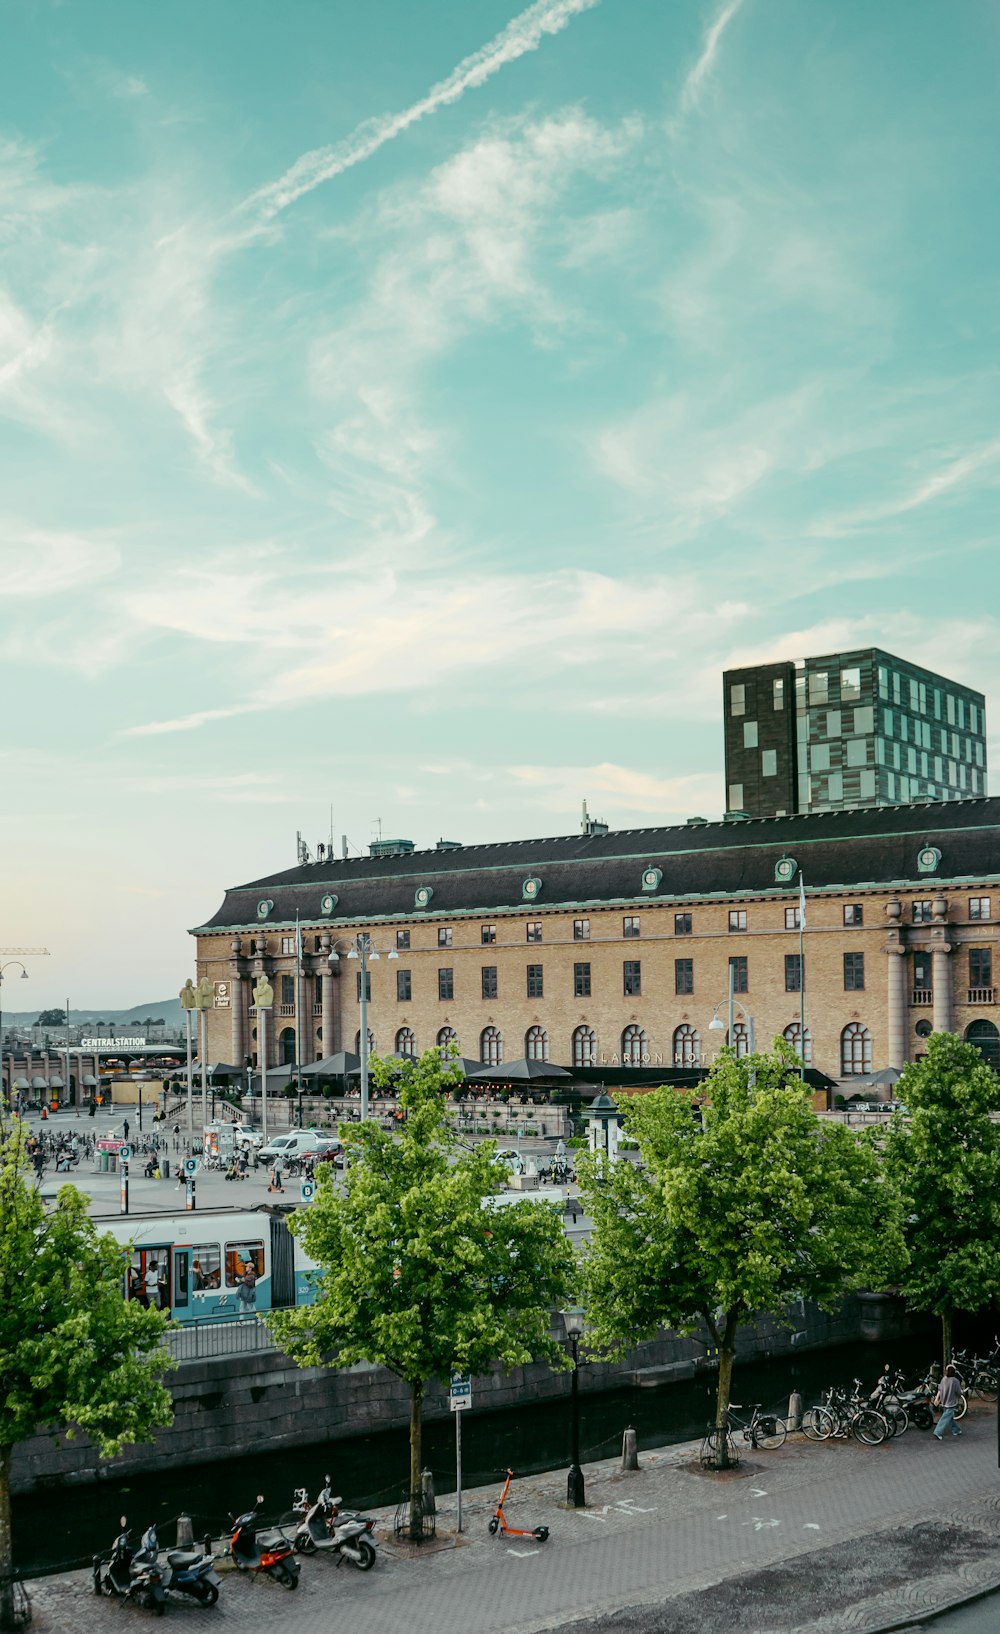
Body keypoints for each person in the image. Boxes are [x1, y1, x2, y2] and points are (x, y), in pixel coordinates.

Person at [934, 1364, 963, 1440]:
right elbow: (959, 1392)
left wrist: (937, 1399)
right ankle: (938, 1432)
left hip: (944, 1401)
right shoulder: (955, 1381)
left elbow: (939, 1389)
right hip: (951, 1403)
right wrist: (961, 1393)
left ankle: (956, 1430)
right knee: (945, 1418)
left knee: (949, 1418)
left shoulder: (943, 1379)